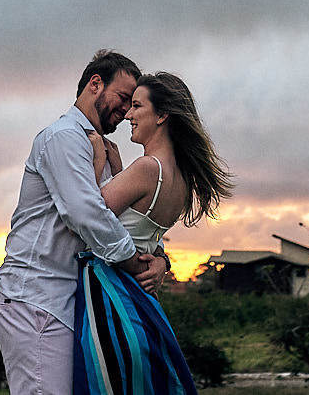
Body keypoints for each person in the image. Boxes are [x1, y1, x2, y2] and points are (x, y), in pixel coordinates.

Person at [0, 50, 170, 395]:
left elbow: (124, 221)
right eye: (122, 98)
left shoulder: (103, 149)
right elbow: (85, 214)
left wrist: (160, 258)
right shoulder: (64, 137)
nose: (127, 110)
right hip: (37, 297)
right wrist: (137, 263)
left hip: (72, 303)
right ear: (94, 84)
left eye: (134, 104)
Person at [76, 72, 234, 395]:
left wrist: (97, 161)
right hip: (144, 302)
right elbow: (139, 227)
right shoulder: (180, 180)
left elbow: (88, 212)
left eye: (137, 106)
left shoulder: (148, 169)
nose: (129, 115)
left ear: (162, 115)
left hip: (111, 295)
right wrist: (162, 260)